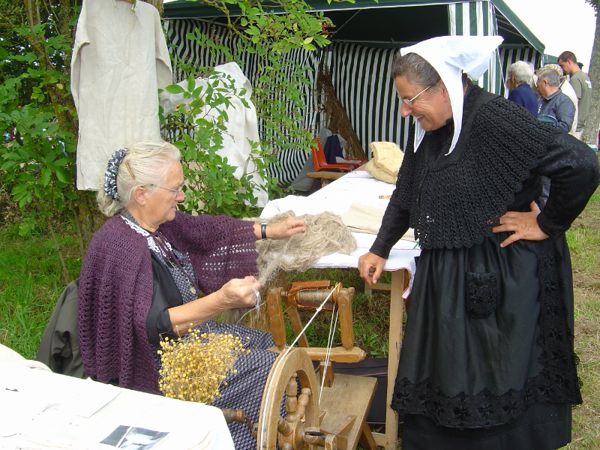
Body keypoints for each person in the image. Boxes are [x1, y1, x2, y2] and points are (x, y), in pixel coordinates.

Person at [358, 35, 599, 450]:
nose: (404, 110)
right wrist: (380, 247)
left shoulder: (495, 119)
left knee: (495, 373)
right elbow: (407, 193)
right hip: (451, 276)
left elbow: (580, 164)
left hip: (503, 274)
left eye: (409, 99)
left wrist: (547, 223)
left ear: (442, 88)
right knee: (450, 371)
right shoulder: (433, 129)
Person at [78, 141, 306, 449]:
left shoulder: (155, 225)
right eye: (175, 189)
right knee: (267, 372)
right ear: (142, 194)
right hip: (154, 371)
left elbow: (206, 231)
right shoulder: (119, 246)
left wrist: (268, 230)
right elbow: (152, 327)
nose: (181, 196)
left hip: (185, 344)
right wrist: (221, 301)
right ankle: (232, 441)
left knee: (261, 343)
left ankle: (259, 435)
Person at [558, 51, 592, 136]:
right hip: (582, 122)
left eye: (562, 65)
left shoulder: (575, 79)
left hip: (575, 125)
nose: (562, 69)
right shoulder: (585, 77)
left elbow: (572, 102)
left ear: (569, 61)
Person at [535, 65, 576, 132]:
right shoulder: (539, 97)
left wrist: (540, 125)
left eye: (538, 81)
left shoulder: (564, 102)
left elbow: (564, 127)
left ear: (545, 82)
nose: (537, 84)